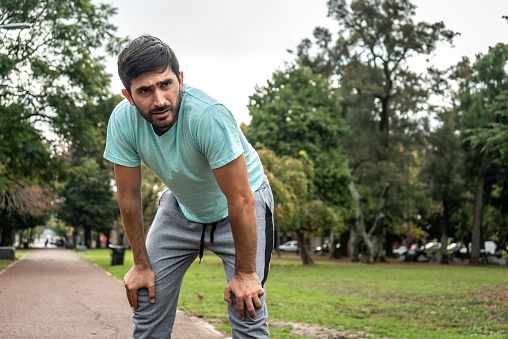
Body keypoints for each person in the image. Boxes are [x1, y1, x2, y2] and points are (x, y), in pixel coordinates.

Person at [103, 35, 274, 338]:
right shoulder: (122, 122)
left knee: (246, 306)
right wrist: (141, 264)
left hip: (241, 206)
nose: (159, 100)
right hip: (182, 207)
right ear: (128, 96)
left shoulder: (208, 116)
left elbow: (241, 199)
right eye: (144, 90)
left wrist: (246, 274)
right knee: (146, 298)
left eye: (166, 84)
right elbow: (128, 195)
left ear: (180, 79)